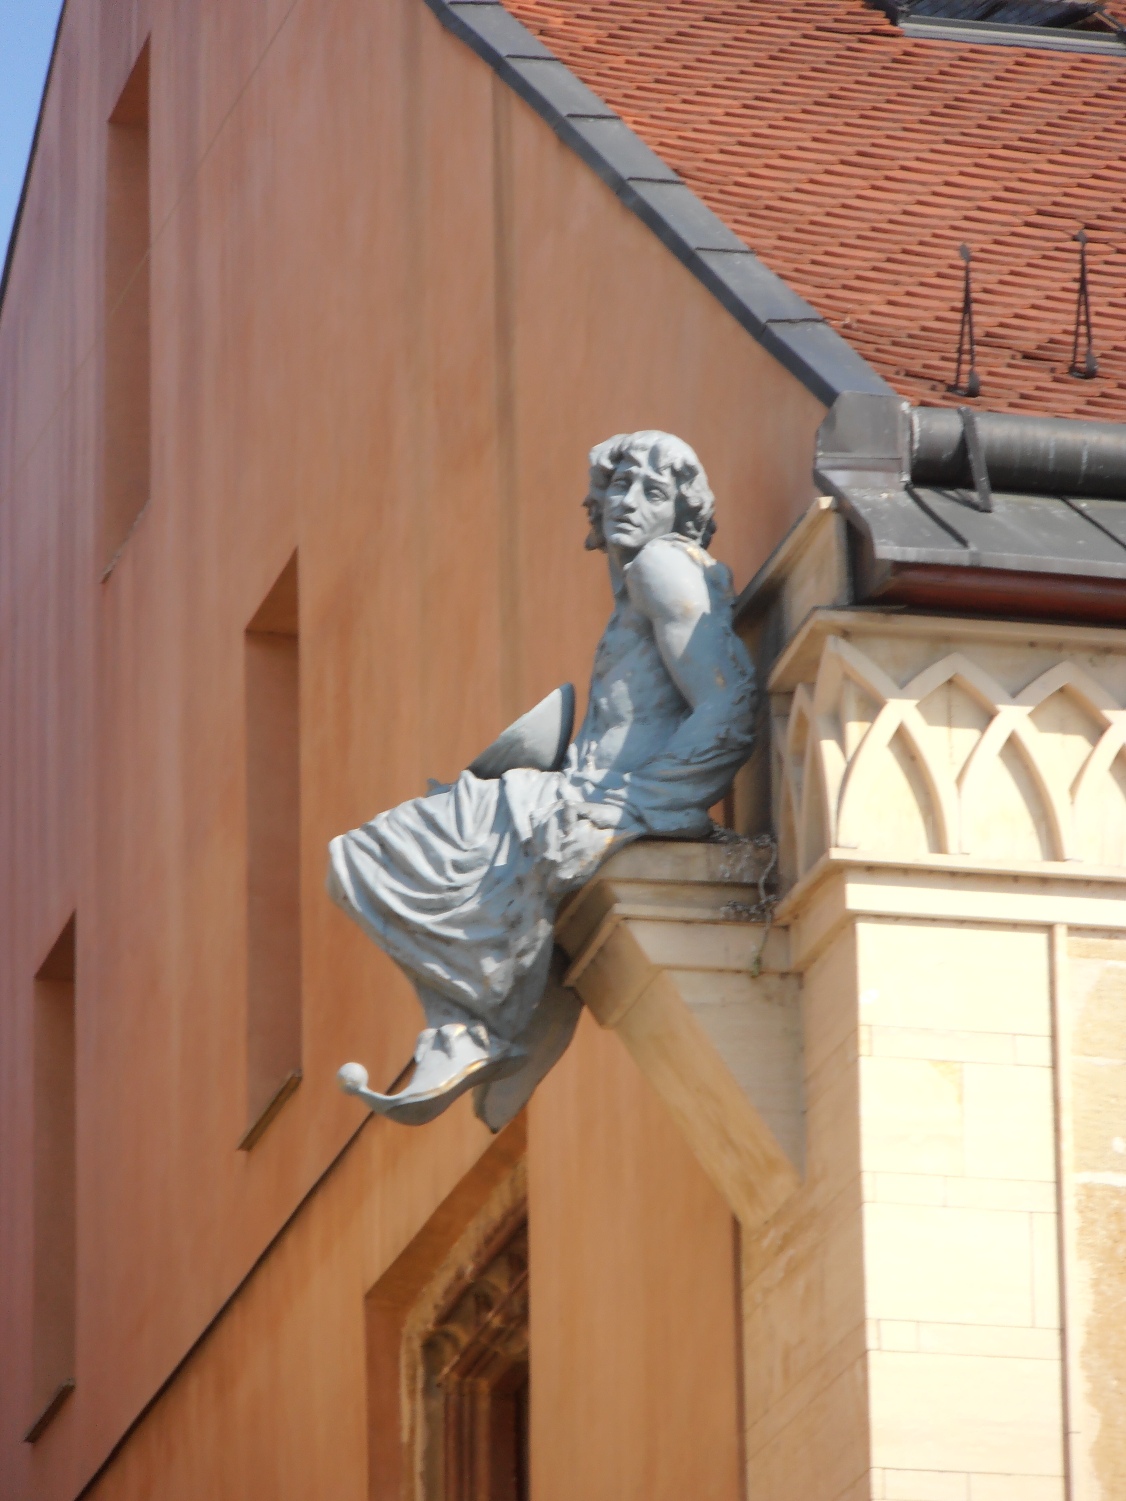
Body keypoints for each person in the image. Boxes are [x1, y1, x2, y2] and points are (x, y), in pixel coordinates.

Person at [328, 430, 756, 1127]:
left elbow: (728, 704)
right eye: (619, 486)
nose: (628, 501)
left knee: (377, 852)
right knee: (396, 849)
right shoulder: (642, 582)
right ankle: (473, 1018)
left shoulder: (661, 567)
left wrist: (628, 808)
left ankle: (474, 1022)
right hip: (593, 790)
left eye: (652, 491)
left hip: (617, 799)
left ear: (680, 513)